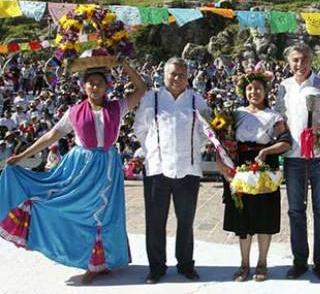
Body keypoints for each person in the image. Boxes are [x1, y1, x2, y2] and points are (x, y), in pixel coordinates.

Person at [0, 60, 146, 284]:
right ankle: (90, 260)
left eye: (99, 83)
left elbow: (141, 89)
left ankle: (101, 261)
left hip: (107, 167)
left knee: (103, 214)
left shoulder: (117, 107)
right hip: (80, 166)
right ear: (83, 86)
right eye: (90, 83)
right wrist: (22, 156)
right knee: (74, 209)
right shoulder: (74, 112)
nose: (95, 87)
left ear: (107, 86)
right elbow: (51, 136)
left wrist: (123, 64)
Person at [134, 57, 212, 284]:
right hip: (157, 168)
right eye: (173, 74)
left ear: (188, 76)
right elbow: (140, 127)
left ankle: (186, 264)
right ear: (164, 75)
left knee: (186, 220)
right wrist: (152, 150)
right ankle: (156, 267)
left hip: (188, 167)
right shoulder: (152, 98)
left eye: (181, 74)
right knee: (155, 221)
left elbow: (206, 130)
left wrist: (193, 148)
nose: (177, 78)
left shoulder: (197, 100)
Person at [274, 43, 320, 280]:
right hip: (293, 158)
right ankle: (299, 260)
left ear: (311, 60)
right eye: (295, 60)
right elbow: (279, 117)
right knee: (295, 211)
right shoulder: (284, 86)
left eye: (303, 59)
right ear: (289, 62)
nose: (299, 64)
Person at [220, 68, 291, 282]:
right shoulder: (235, 114)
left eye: (258, 88)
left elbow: (286, 142)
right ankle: (244, 264)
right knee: (243, 216)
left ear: (265, 91)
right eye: (250, 88)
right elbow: (224, 141)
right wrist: (223, 163)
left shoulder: (274, 116)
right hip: (241, 166)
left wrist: (267, 151)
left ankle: (262, 262)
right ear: (244, 91)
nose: (254, 92)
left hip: (264, 166)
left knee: (264, 215)